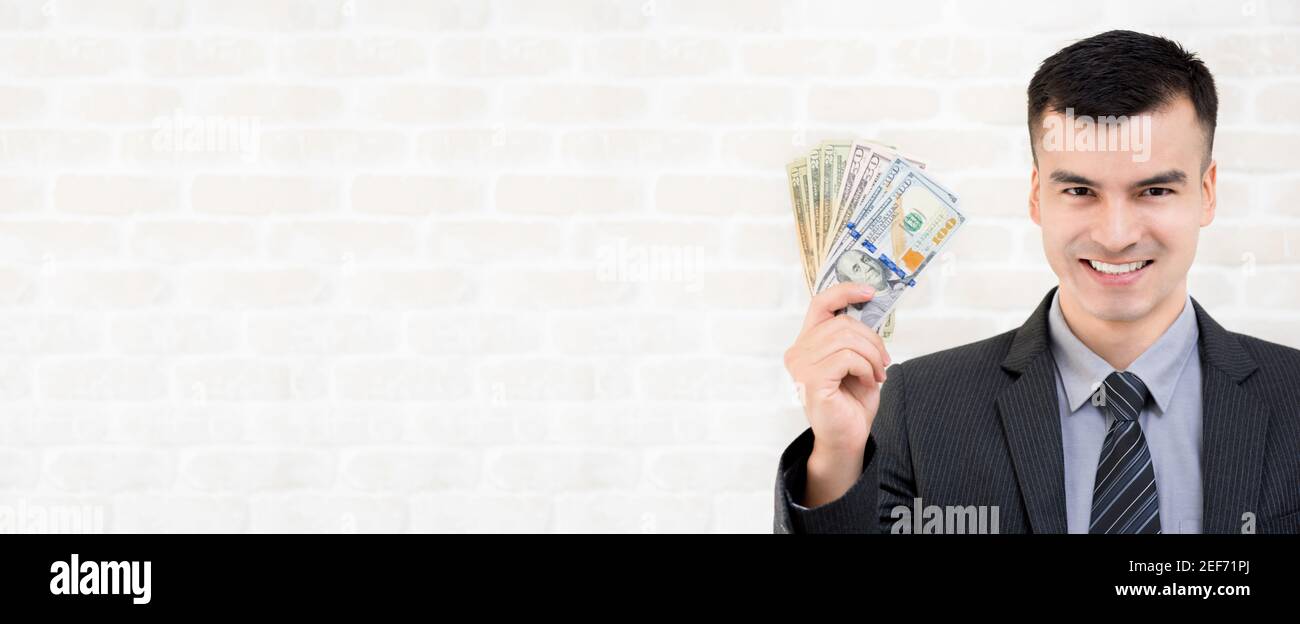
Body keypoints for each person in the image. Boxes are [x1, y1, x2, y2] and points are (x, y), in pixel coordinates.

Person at [775, 30, 1300, 534]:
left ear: (1207, 193)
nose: (1115, 236)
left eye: (1155, 190)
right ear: (1036, 196)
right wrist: (838, 457)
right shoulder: (918, 407)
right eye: (1078, 190)